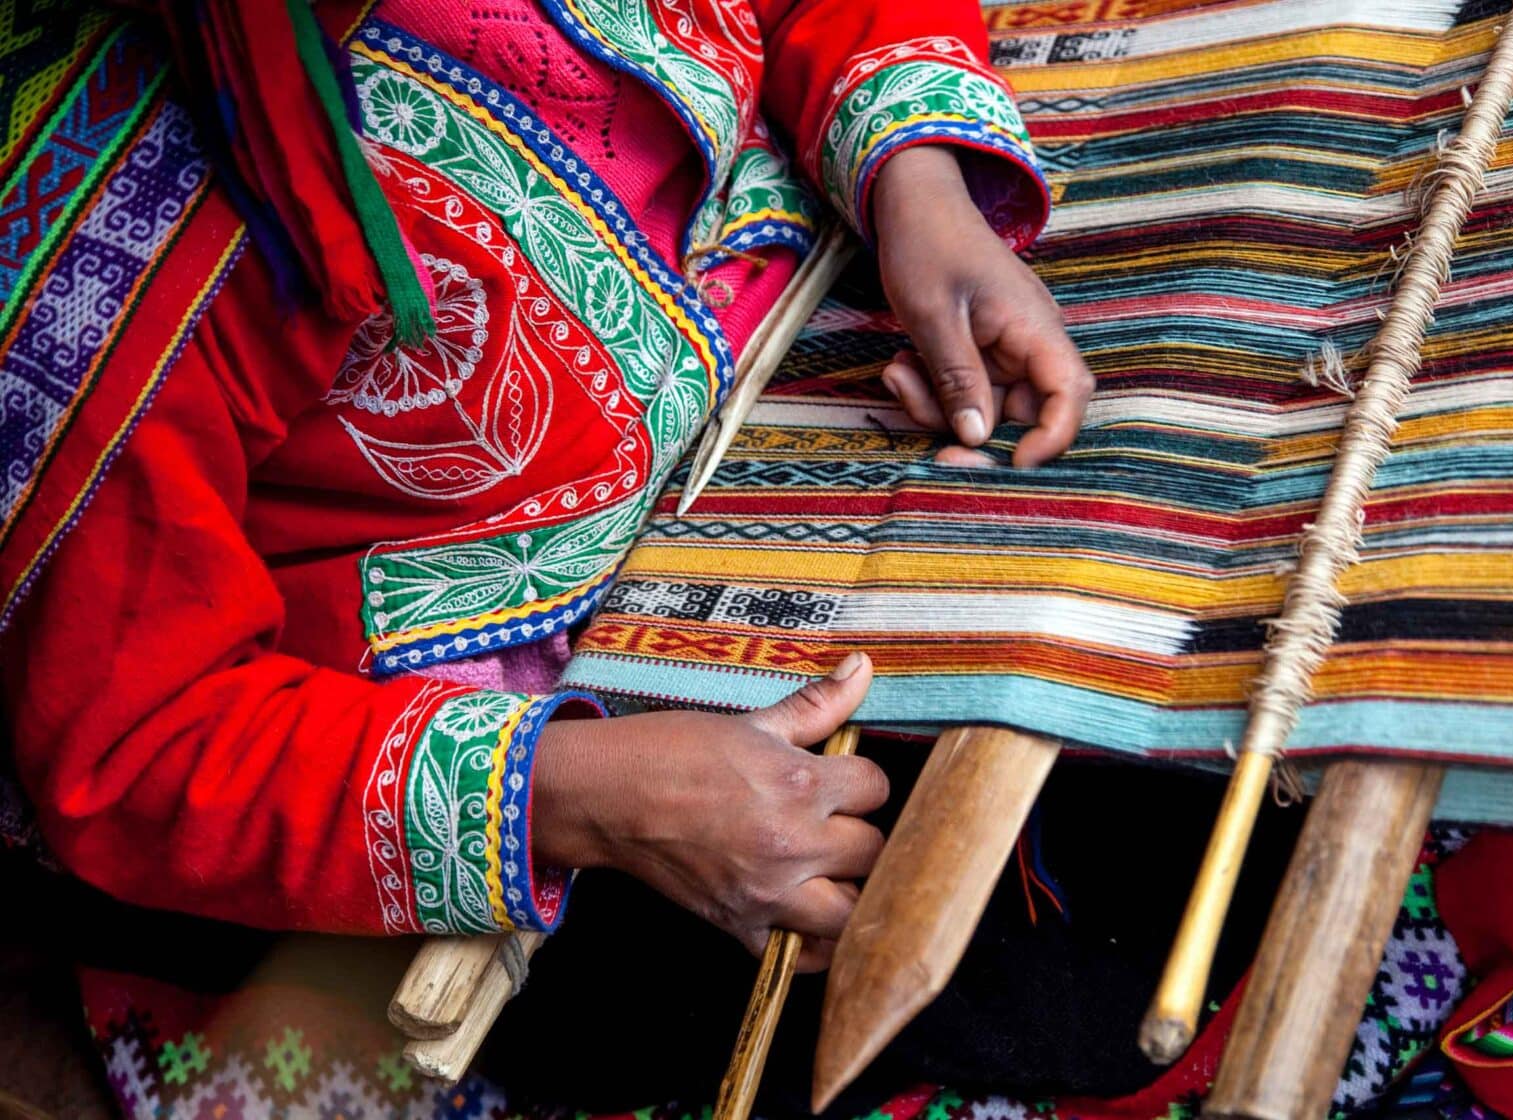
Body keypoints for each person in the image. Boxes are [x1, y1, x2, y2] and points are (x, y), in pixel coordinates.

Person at [0, 0, 1097, 1113]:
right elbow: (135, 740)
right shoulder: (109, 221)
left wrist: (918, 186)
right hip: (448, 744)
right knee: (996, 983)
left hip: (799, 341)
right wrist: (573, 794)